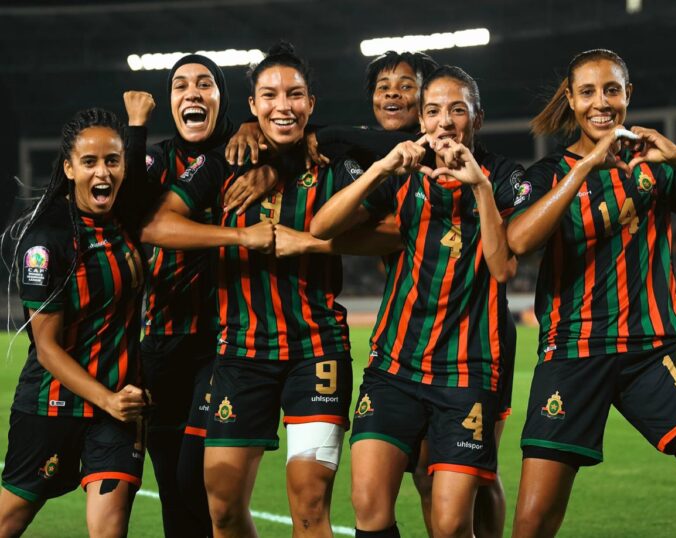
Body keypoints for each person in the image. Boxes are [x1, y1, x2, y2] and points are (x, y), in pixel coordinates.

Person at [142, 42, 399, 538]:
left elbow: (393, 232)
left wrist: (315, 242)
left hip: (317, 350)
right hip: (240, 355)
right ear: (253, 105)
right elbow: (156, 226)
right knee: (222, 509)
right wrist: (239, 236)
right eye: (270, 95)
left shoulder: (333, 162)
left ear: (311, 103)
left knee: (309, 506)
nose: (284, 105)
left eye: (295, 94)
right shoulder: (221, 163)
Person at [506, 48, 676, 538]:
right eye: (588, 92)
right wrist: (585, 167)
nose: (601, 102)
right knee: (533, 525)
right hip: (573, 353)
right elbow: (518, 241)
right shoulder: (548, 173)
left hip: (657, 350)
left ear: (628, 94)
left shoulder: (655, 166)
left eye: (612, 90)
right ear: (571, 100)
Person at [310, 66, 520, 538]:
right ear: (421, 120)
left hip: (466, 371)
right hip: (395, 366)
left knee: (450, 524)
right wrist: (381, 169)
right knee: (368, 504)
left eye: (457, 110)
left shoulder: (504, 175)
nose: (444, 121)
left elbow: (503, 268)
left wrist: (480, 187)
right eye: (433, 111)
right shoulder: (403, 172)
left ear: (477, 118)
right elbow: (322, 227)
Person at [0, 94, 154, 538]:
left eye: (112, 161)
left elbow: (137, 171)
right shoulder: (46, 243)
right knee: (8, 522)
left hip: (119, 408)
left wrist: (137, 123)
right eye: (89, 162)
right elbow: (47, 349)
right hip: (52, 405)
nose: (103, 172)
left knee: (108, 530)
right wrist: (105, 399)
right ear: (69, 169)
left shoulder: (124, 217)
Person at [141, 53, 274, 538]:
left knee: (195, 482)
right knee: (173, 493)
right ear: (170, 101)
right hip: (160, 340)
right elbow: (137, 220)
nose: (191, 93)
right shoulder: (154, 161)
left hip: (224, 342)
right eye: (180, 85)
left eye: (204, 83)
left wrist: (260, 139)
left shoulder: (248, 152)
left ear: (223, 97)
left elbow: (303, 138)